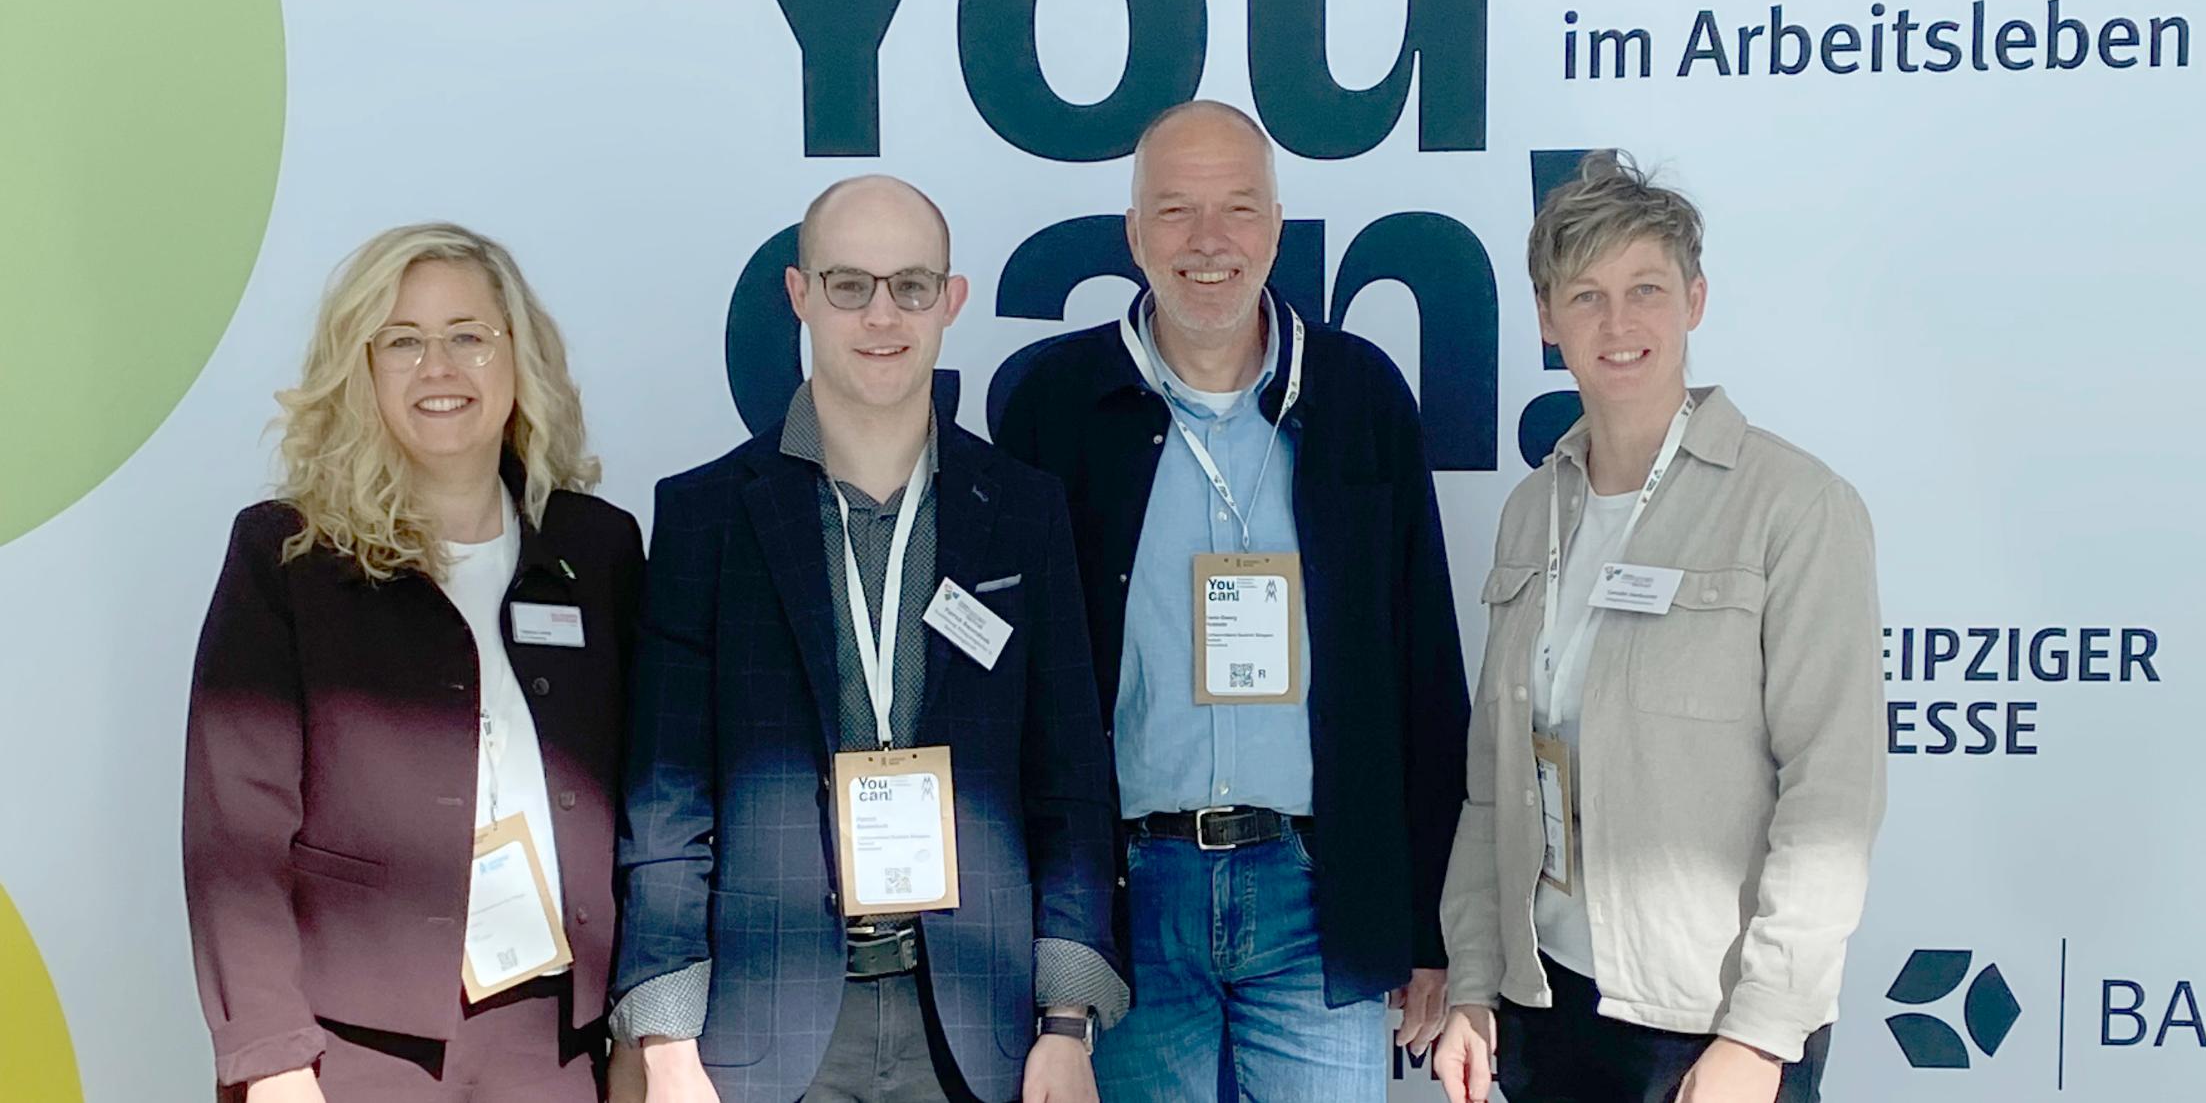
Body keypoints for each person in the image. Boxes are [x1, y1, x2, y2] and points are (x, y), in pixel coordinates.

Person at [991, 101, 1470, 1101]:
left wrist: (1432, 928)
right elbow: (1018, 692)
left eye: (1238, 210)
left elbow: (1423, 670)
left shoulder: (1358, 397)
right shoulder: (1054, 404)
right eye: (1175, 212)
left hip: (1317, 894)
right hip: (1130, 896)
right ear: (1132, 234)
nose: (1208, 243)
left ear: (1277, 224)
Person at [612, 175, 1125, 1103]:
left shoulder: (1022, 511)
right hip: (760, 1038)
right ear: (800, 295)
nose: (881, 314)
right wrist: (665, 1036)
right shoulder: (706, 517)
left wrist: (1065, 1021)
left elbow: (1071, 781)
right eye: (849, 285)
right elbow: (665, 799)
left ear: (951, 302)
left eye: (911, 286)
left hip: (980, 1028)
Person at [1434, 151, 1886, 1103]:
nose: (1619, 322)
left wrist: (1762, 1037)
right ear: (1548, 321)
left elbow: (1832, 791)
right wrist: (1473, 984)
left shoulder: (1794, 507)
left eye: (1645, 288)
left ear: (1695, 300)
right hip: (1545, 1008)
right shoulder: (1530, 513)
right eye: (1586, 295)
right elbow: (1492, 786)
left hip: (1705, 1030)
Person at [183, 223, 644, 1101]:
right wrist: (272, 1059)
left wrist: (640, 1028)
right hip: (350, 1043)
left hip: (556, 1040)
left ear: (519, 358)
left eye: (469, 335)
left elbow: (648, 803)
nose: (440, 367)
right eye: (403, 341)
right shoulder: (287, 556)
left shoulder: (600, 547)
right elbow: (232, 831)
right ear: (360, 369)